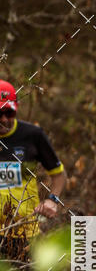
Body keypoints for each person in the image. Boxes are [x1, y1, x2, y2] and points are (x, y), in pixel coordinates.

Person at [0, 80, 66, 244]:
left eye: (9, 113)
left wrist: (52, 200)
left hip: (24, 233)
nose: (3, 119)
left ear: (17, 106)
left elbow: (59, 175)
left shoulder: (32, 135)